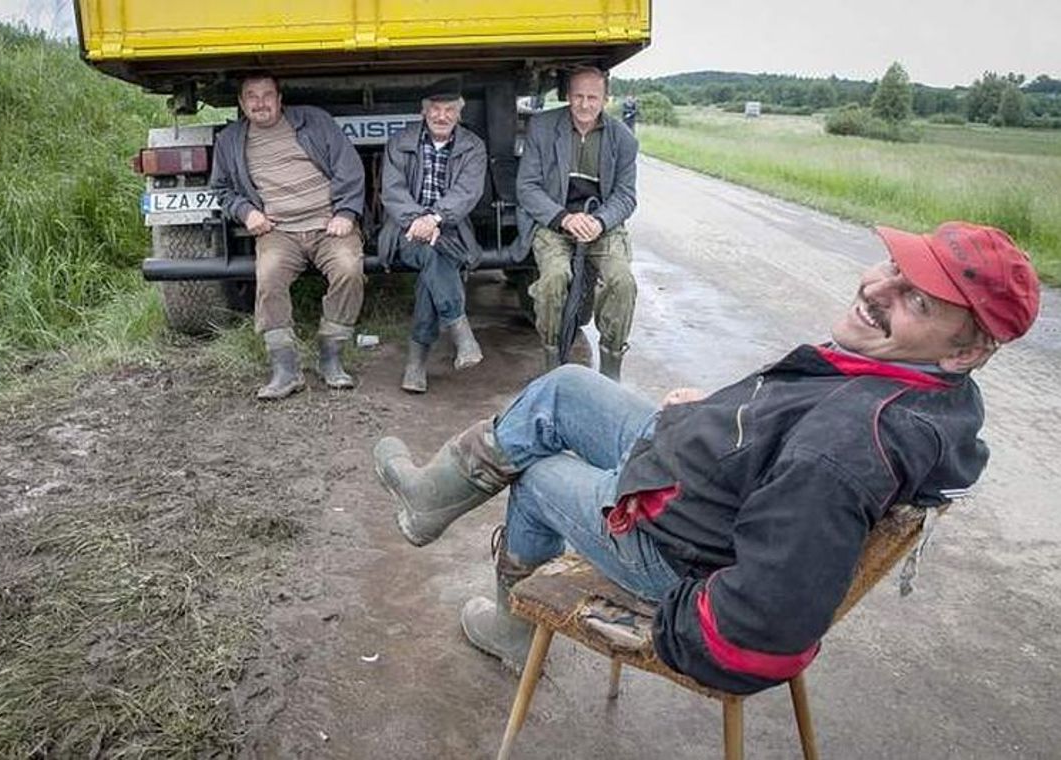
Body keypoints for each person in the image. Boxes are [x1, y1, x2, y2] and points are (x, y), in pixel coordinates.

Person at [373, 222, 1040, 692]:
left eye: (916, 300)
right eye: (896, 268)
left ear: (964, 350)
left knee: (539, 475)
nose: (877, 289)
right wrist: (707, 418)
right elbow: (778, 433)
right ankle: (431, 496)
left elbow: (764, 626)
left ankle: (513, 632)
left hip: (673, 545)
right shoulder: (930, 386)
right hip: (700, 480)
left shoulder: (843, 450)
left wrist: (659, 629)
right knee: (566, 388)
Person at [210, 72, 366, 400]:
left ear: (281, 100)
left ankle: (331, 358)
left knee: (349, 269)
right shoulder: (230, 140)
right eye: (251, 96)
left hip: (327, 226)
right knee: (267, 278)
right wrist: (246, 212)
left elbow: (349, 168)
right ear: (241, 103)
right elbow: (222, 189)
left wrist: (346, 213)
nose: (260, 103)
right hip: (278, 231)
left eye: (267, 95)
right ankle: (285, 369)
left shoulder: (314, 122)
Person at [514, 66, 639, 380]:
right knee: (554, 278)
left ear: (606, 99)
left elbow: (626, 195)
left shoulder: (623, 138)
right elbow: (527, 186)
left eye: (593, 97)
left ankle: (611, 371)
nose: (585, 105)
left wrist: (599, 221)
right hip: (555, 221)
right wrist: (564, 218)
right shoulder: (542, 127)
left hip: (601, 224)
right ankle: (552, 362)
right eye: (578, 96)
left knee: (622, 281)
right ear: (567, 96)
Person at [378, 87, 489, 393]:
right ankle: (460, 329)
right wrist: (418, 220)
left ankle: (416, 364)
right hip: (405, 229)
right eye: (436, 109)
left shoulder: (473, 147)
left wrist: (436, 218)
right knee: (432, 253)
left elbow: (467, 192)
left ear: (459, 113)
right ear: (423, 111)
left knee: (434, 263)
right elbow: (392, 191)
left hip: (451, 229)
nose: (442, 116)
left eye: (449, 109)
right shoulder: (400, 142)